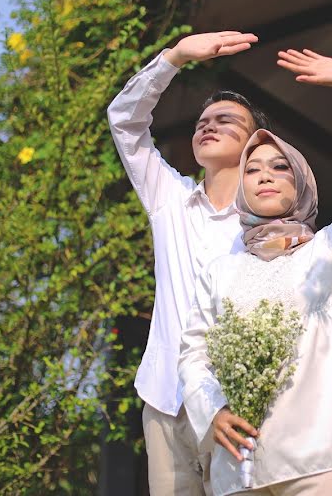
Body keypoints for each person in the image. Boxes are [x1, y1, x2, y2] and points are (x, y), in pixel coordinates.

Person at [178, 48, 332, 495]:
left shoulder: (328, 251)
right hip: (239, 468)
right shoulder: (221, 271)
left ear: (300, 182)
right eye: (252, 169)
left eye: (280, 167)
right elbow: (193, 353)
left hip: (321, 460)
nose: (265, 175)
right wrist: (213, 410)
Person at [107, 30, 267, 495]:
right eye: (202, 121)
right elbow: (125, 121)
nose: (207, 126)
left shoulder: (271, 222)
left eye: (225, 120)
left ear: (256, 141)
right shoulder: (169, 199)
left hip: (237, 404)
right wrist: (174, 58)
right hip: (166, 401)